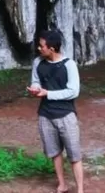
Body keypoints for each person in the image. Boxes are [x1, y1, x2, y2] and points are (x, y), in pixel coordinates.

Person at [27, 30, 83, 193]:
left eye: (42, 46)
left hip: (66, 115)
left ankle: (80, 190)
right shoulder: (38, 62)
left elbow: (74, 91)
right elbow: (36, 81)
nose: (39, 48)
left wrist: (48, 94)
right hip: (45, 114)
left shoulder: (69, 65)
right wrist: (35, 89)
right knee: (55, 152)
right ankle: (62, 184)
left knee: (74, 154)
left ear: (52, 48)